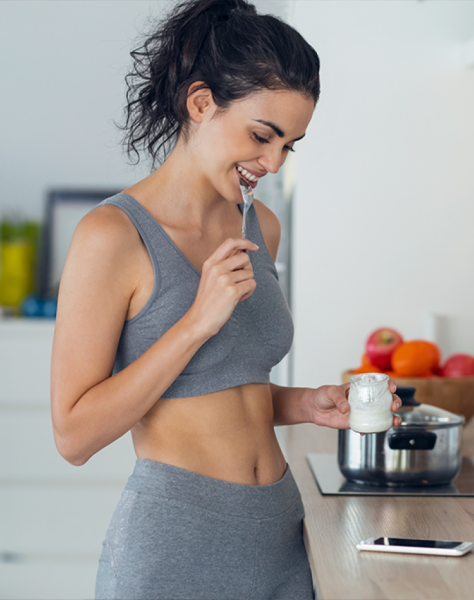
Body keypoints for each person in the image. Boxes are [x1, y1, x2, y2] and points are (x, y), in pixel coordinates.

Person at [49, 1, 401, 598]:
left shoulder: (260, 225)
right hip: (176, 544)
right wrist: (194, 323)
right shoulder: (112, 237)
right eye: (262, 136)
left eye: (290, 145)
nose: (272, 162)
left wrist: (307, 405)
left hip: (280, 533)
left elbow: (224, 392)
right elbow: (73, 436)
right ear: (201, 103)